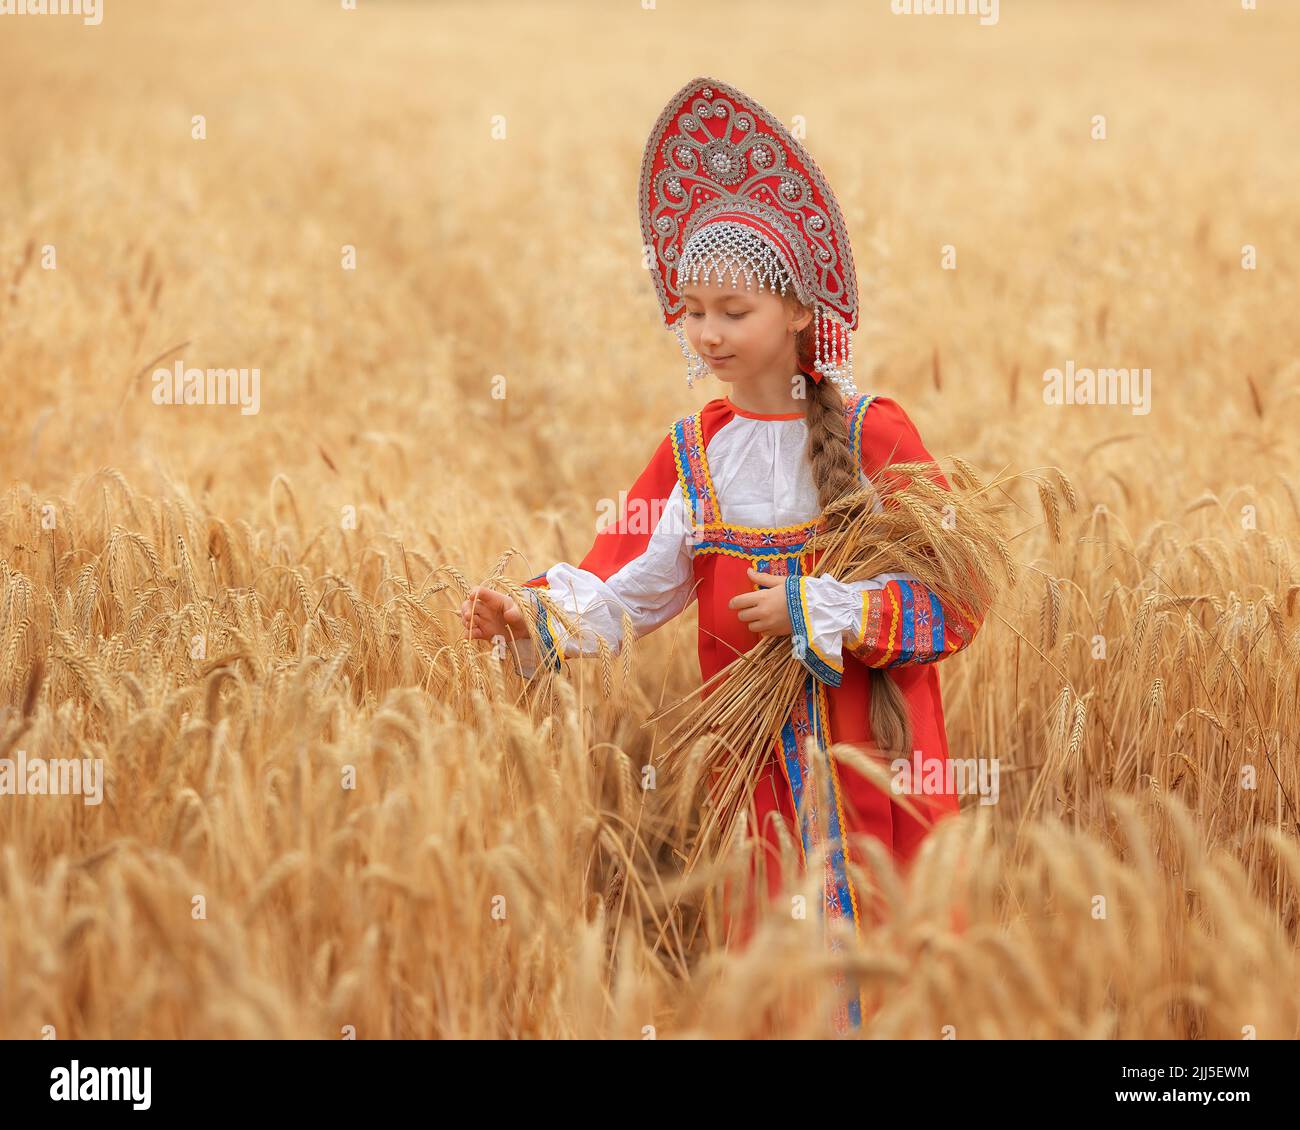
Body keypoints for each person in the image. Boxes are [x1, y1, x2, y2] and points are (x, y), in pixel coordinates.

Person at [461, 77, 982, 1034]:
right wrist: (532, 616)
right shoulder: (695, 451)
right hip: (760, 776)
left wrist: (822, 611)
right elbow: (633, 587)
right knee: (780, 958)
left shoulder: (874, 434)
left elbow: (958, 592)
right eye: (691, 310)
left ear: (796, 313)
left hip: (875, 755)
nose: (707, 333)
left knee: (888, 954)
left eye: (731, 310)